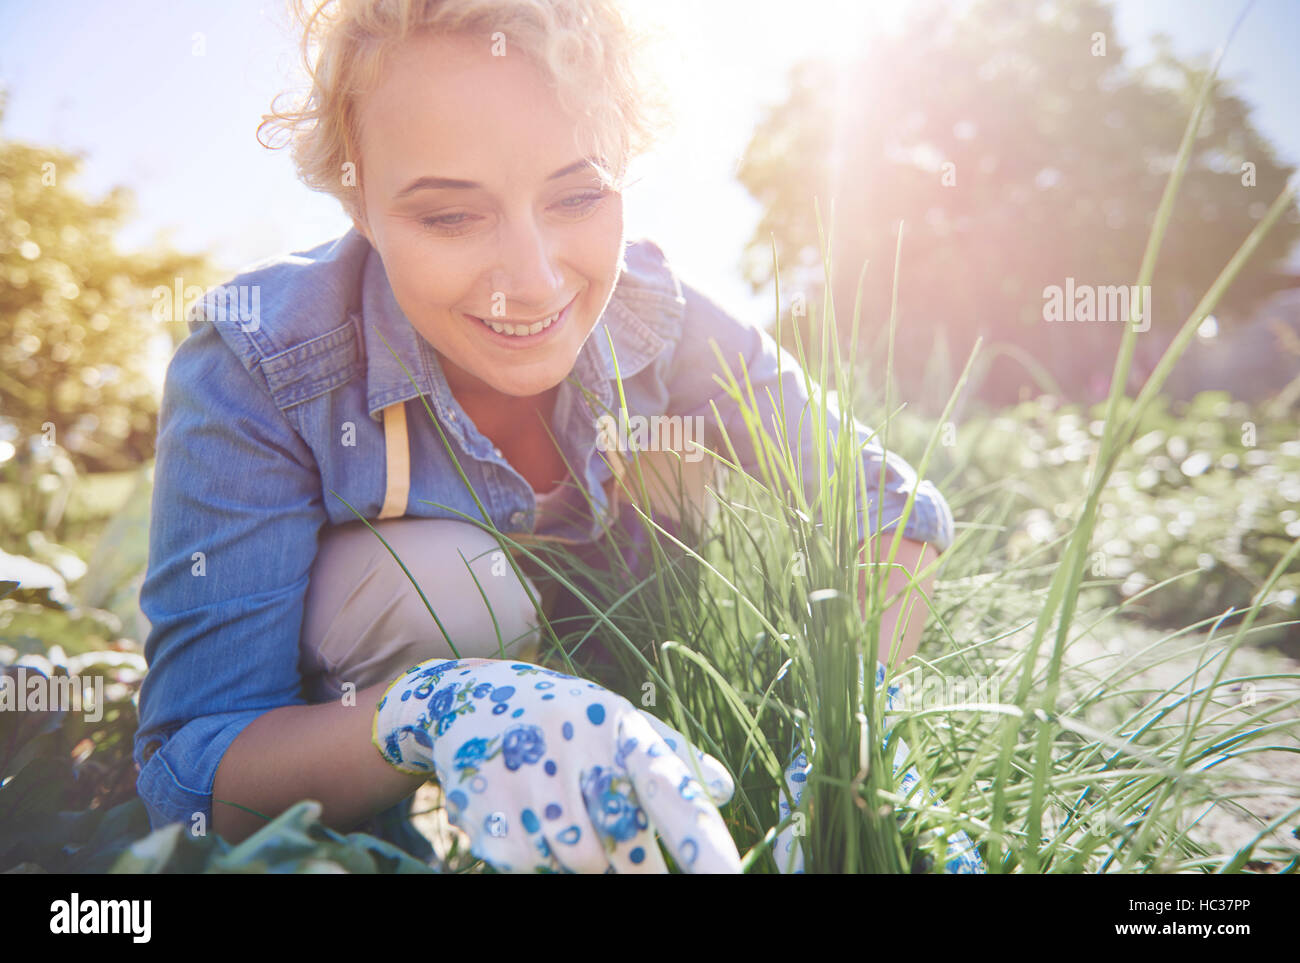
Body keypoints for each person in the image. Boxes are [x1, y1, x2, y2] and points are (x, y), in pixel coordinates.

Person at [132, 0, 965, 873]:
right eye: (450, 217)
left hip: (638, 666)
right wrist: (440, 708)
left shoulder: (659, 313)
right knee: (452, 590)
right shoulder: (261, 360)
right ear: (360, 201)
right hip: (363, 705)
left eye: (577, 195)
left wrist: (846, 735)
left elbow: (889, 504)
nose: (531, 284)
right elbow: (188, 775)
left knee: (672, 459)